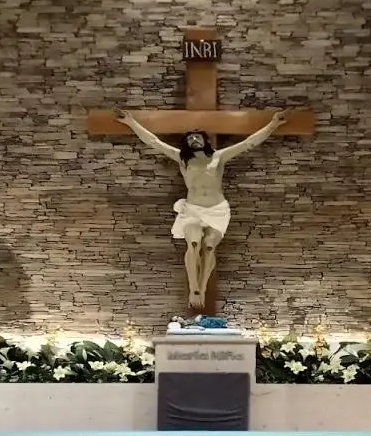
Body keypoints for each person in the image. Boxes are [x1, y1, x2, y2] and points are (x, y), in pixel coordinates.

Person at [116, 109, 287, 308]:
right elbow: (153, 141)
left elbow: (249, 142)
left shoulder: (218, 157)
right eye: (191, 138)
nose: (194, 140)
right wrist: (131, 122)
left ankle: (203, 288)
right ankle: (194, 288)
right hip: (193, 210)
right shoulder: (182, 158)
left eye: (198, 137)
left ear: (205, 140)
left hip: (217, 209)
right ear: (186, 143)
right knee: (194, 244)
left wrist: (273, 124)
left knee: (209, 246)